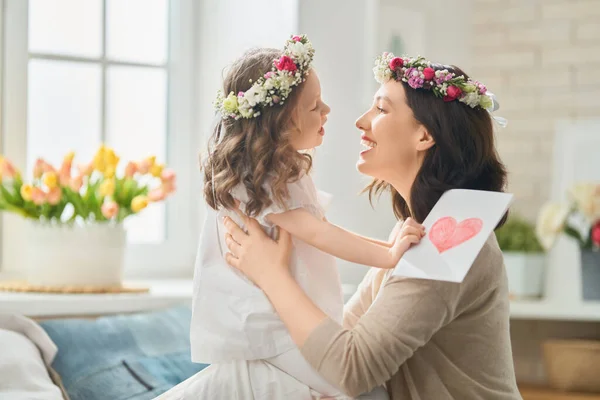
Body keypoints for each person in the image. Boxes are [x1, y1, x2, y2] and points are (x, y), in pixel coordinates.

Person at [221, 53, 522, 399]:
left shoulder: (449, 241)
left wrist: (270, 275)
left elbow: (352, 368)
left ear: (424, 135)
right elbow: (344, 333)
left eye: (380, 109)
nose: (360, 122)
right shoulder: (412, 230)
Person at [181, 37, 421, 400]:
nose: (327, 110)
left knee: (359, 383)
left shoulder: (282, 170)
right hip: (266, 325)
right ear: (279, 123)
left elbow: (323, 231)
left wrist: (390, 246)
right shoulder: (260, 178)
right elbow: (321, 234)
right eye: (313, 107)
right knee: (357, 387)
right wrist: (388, 255)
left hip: (277, 319)